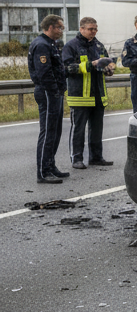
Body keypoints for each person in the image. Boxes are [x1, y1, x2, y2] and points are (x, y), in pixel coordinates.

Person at [62, 16, 115, 169]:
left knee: (97, 129)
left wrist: (109, 69)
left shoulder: (98, 45)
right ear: (82, 29)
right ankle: (76, 158)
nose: (94, 32)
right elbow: (66, 69)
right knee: (78, 129)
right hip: (80, 96)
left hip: (98, 94)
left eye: (95, 29)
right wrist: (91, 64)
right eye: (91, 29)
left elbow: (107, 63)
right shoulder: (71, 46)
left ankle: (96, 157)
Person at [29, 14, 68, 184]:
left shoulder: (51, 44)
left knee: (56, 131)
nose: (62, 30)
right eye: (60, 27)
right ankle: (43, 172)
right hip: (48, 92)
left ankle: (51, 165)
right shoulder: (41, 45)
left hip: (55, 92)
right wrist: (54, 91)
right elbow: (44, 73)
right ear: (50, 27)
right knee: (48, 132)